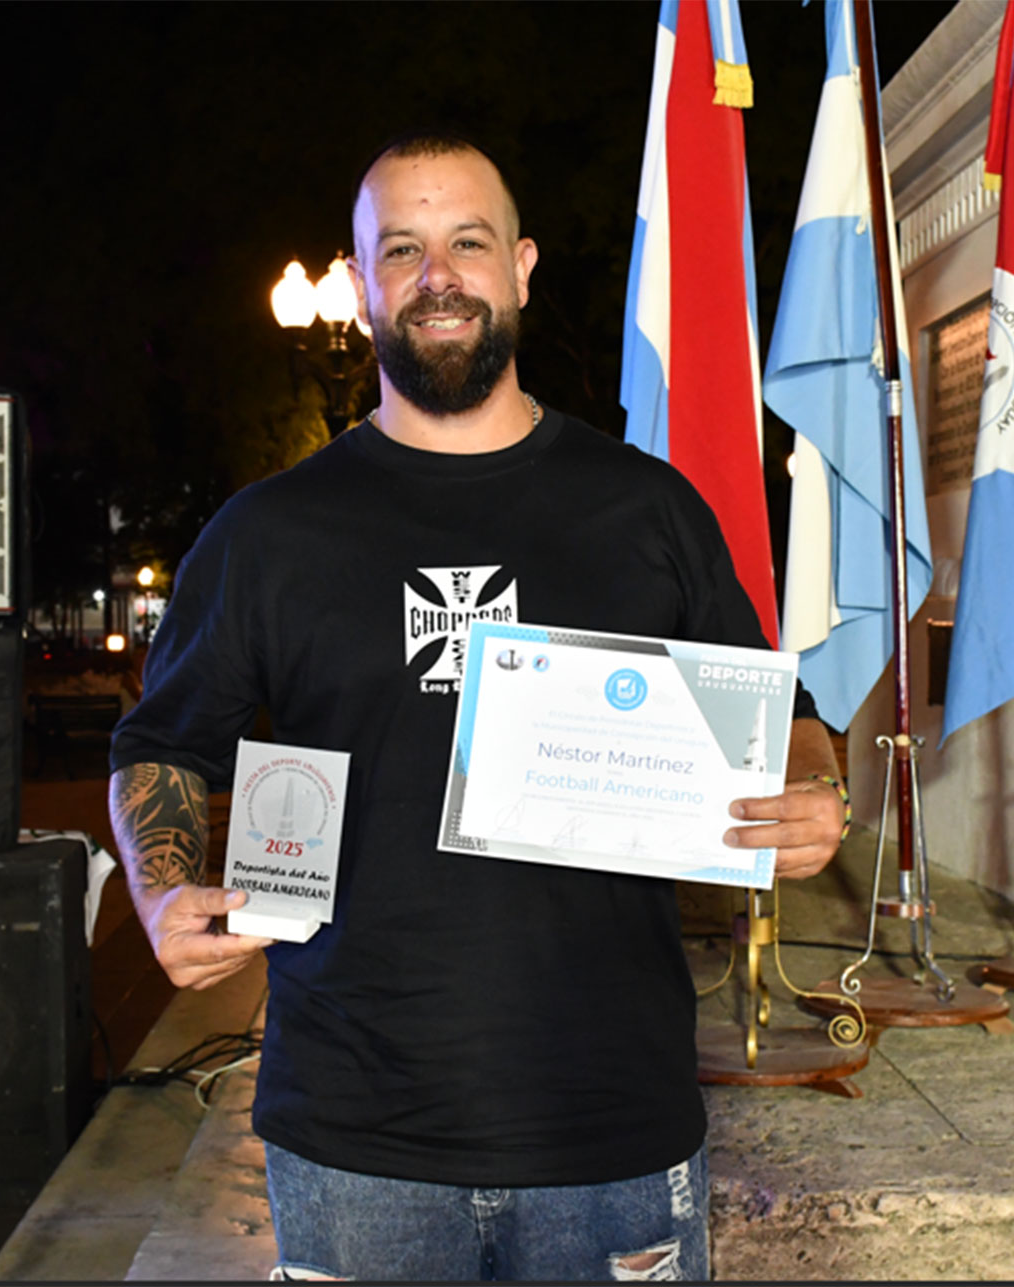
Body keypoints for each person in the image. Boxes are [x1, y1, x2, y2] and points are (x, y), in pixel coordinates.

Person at [109, 133, 848, 1283]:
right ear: (361, 285)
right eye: (401, 249)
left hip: (610, 1128)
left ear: (521, 267)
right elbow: (162, 742)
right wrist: (160, 890)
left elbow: (776, 709)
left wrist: (814, 789)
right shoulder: (268, 534)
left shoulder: (645, 508)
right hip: (354, 1141)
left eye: (468, 242)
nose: (437, 275)